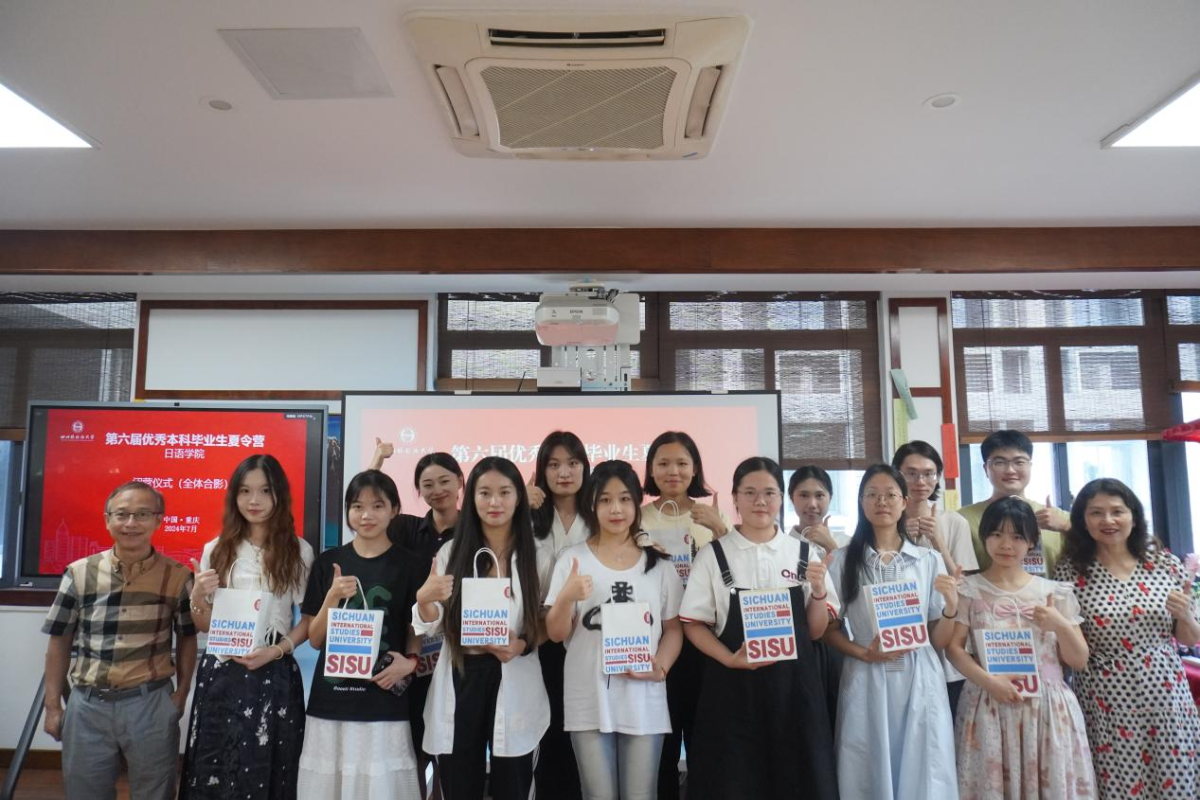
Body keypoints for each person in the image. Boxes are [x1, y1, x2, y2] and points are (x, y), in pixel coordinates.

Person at [680, 457, 839, 800]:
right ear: (735, 498)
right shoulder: (713, 555)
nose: (760, 501)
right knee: (733, 781)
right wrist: (729, 658)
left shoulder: (803, 553)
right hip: (731, 690)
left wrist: (819, 591)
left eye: (769, 492)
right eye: (749, 492)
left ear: (782, 498)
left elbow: (814, 632)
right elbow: (694, 624)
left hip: (795, 693)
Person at [42, 480, 197, 800]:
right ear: (107, 520)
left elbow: (187, 638)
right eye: (122, 514)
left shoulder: (178, 576)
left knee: (156, 793)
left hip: (151, 704)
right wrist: (53, 705)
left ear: (158, 520)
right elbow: (59, 641)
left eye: (142, 514)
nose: (131, 523)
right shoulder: (79, 573)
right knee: (84, 792)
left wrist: (181, 694)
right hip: (87, 705)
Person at [413, 456, 553, 800]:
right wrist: (424, 599)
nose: (494, 502)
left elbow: (548, 620)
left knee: (513, 785)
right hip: (461, 675)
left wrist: (522, 644)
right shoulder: (451, 552)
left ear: (518, 497)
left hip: (514, 674)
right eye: (484, 493)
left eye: (504, 492)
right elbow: (431, 622)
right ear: (471, 497)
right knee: (460, 784)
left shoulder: (538, 554)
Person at [1052, 478, 1200, 799]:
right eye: (1096, 513)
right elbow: (1068, 645)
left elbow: (1188, 636)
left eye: (1117, 511)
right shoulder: (1070, 570)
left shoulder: (1163, 562)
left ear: (1133, 516)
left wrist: (1186, 614)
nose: (1108, 520)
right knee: (1119, 782)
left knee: (1176, 778)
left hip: (1165, 689)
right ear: (1083, 521)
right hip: (1105, 696)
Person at [545, 460, 684, 800]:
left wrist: (661, 667)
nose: (616, 509)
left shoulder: (659, 564)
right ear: (592, 505)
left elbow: (673, 629)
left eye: (624, 499)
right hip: (588, 697)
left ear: (637, 503)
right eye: (605, 500)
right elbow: (556, 633)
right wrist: (566, 598)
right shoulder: (573, 561)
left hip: (643, 699)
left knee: (641, 794)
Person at [182, 454, 315, 800]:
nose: (254, 500)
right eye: (245, 491)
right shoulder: (216, 549)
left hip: (273, 670)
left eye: (265, 491)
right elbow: (203, 623)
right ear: (234, 496)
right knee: (215, 767)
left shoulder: (298, 550)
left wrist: (277, 650)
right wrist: (197, 595)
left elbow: (308, 620)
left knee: (268, 766)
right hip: (222, 671)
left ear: (279, 495)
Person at [823, 465, 960, 800]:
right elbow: (829, 629)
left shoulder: (927, 560)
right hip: (865, 673)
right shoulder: (842, 560)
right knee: (867, 765)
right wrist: (864, 653)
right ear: (861, 502)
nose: (881, 501)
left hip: (919, 675)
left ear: (904, 502)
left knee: (923, 765)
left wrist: (951, 608)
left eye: (890, 495)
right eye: (872, 494)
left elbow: (938, 639)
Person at [945, 496, 1095, 799]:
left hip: (1047, 707)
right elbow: (954, 648)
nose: (1006, 544)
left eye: (1017, 536)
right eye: (996, 534)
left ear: (1032, 541)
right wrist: (989, 682)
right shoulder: (969, 589)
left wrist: (1060, 625)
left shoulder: (1054, 592)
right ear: (984, 536)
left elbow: (1078, 660)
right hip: (987, 702)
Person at [297, 470, 424, 799]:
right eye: (357, 506)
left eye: (377, 506)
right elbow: (315, 639)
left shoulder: (412, 565)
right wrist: (332, 597)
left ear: (394, 510)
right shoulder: (329, 563)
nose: (366, 515)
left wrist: (411, 662)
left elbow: (416, 627)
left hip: (383, 698)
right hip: (332, 699)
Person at [636, 430, 731, 800]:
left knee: (704, 738)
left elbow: (733, 577)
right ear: (651, 470)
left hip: (706, 638)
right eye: (663, 463)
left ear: (695, 469)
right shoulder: (637, 517)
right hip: (656, 638)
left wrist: (720, 530)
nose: (672, 471)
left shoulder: (711, 517)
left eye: (681, 463)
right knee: (661, 740)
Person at [892, 440, 980, 713]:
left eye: (929, 473)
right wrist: (900, 535)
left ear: (938, 477)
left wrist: (938, 540)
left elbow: (965, 586)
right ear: (897, 474)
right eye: (911, 473)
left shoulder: (954, 522)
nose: (921, 481)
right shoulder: (887, 523)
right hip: (900, 640)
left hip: (947, 637)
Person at [528, 431, 591, 799]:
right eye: (553, 465)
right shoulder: (528, 516)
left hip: (587, 637)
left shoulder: (598, 513)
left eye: (572, 463)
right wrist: (518, 500)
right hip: (537, 638)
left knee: (582, 731)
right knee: (547, 729)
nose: (563, 472)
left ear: (585, 467)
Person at [786, 464, 850, 728]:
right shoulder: (783, 544)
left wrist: (831, 546)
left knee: (839, 712)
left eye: (819, 495)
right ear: (791, 498)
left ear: (830, 498)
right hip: (799, 640)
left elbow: (857, 589)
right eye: (803, 495)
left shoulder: (846, 542)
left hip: (837, 639)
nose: (812, 504)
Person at [957, 430, 1069, 577]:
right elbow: (959, 575)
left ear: (1030, 466)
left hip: (1050, 592)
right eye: (999, 462)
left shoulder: (1060, 518)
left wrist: (1066, 527)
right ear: (985, 469)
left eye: (1019, 462)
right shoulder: (963, 519)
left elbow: (1092, 556)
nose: (1010, 470)